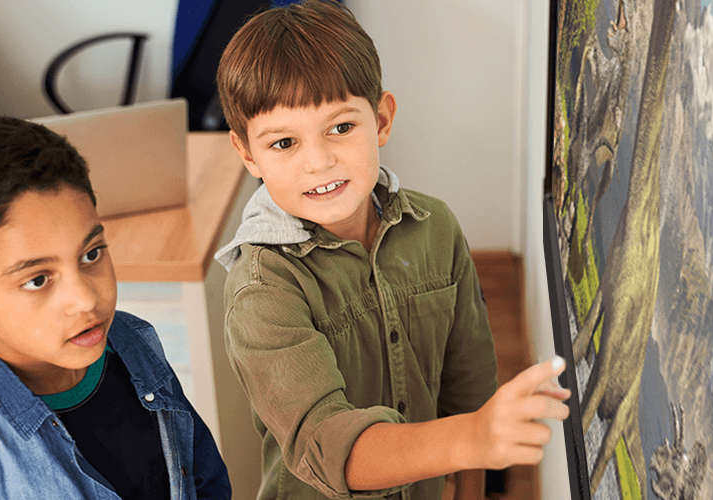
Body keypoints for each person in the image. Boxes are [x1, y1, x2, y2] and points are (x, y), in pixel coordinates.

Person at [214, 2, 570, 499]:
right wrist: (472, 439)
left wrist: (471, 476)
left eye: (341, 128)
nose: (318, 162)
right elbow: (328, 445)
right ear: (247, 153)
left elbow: (469, 392)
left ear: (381, 120)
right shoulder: (262, 288)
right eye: (283, 143)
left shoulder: (437, 230)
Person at [0, 116, 232, 499]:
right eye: (37, 280)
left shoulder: (134, 339)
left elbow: (201, 477)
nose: (85, 299)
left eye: (91, 254)